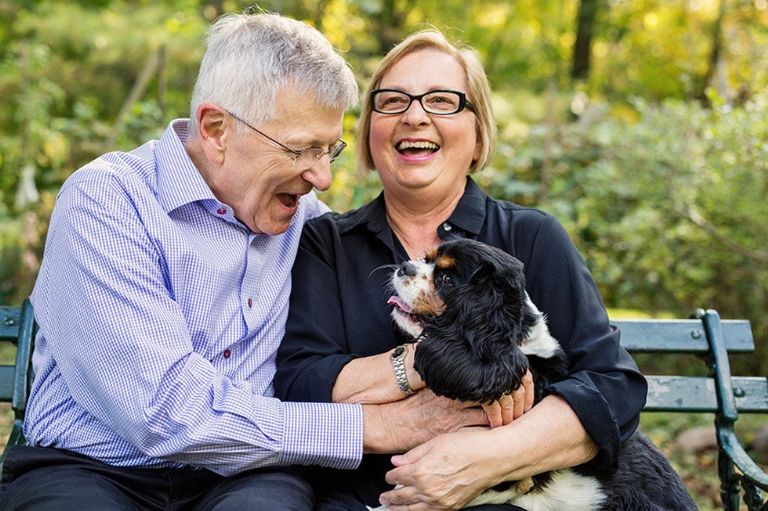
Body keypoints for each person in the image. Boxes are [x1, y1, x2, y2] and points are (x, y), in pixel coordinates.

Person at [0, 13, 490, 511]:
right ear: (216, 130)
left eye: (330, 150)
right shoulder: (108, 203)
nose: (322, 177)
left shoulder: (307, 225)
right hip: (92, 470)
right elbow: (164, 414)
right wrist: (385, 425)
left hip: (247, 477)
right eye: (303, 149)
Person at [274, 29, 648, 510]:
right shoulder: (327, 243)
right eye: (392, 101)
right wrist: (433, 366)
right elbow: (302, 383)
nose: (414, 116)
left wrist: (485, 458)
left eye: (442, 100)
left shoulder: (531, 238)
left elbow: (612, 388)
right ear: (369, 131)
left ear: (478, 133)